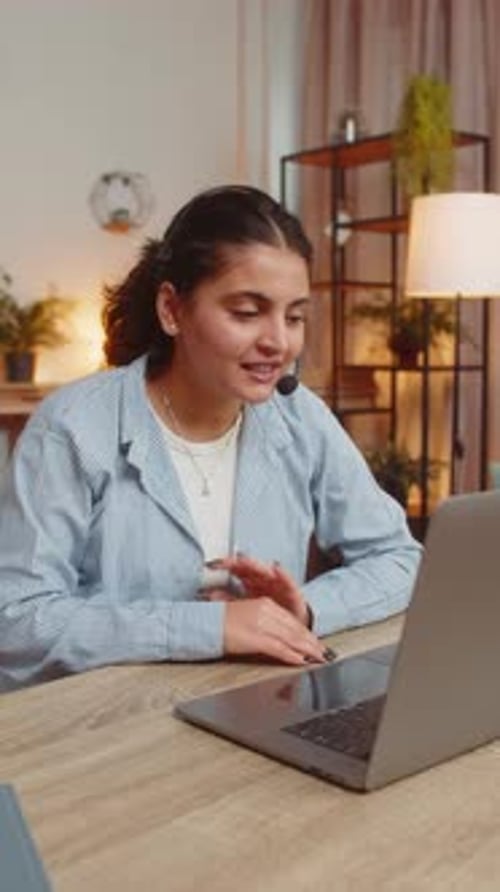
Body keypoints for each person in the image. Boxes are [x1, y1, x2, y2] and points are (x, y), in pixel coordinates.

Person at [0, 185, 422, 690]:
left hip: (254, 707)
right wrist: (209, 628)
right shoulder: (73, 426)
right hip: (102, 732)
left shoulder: (299, 416)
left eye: (294, 317)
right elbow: (16, 621)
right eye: (247, 312)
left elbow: (400, 559)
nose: (279, 343)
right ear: (172, 310)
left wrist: (305, 610)